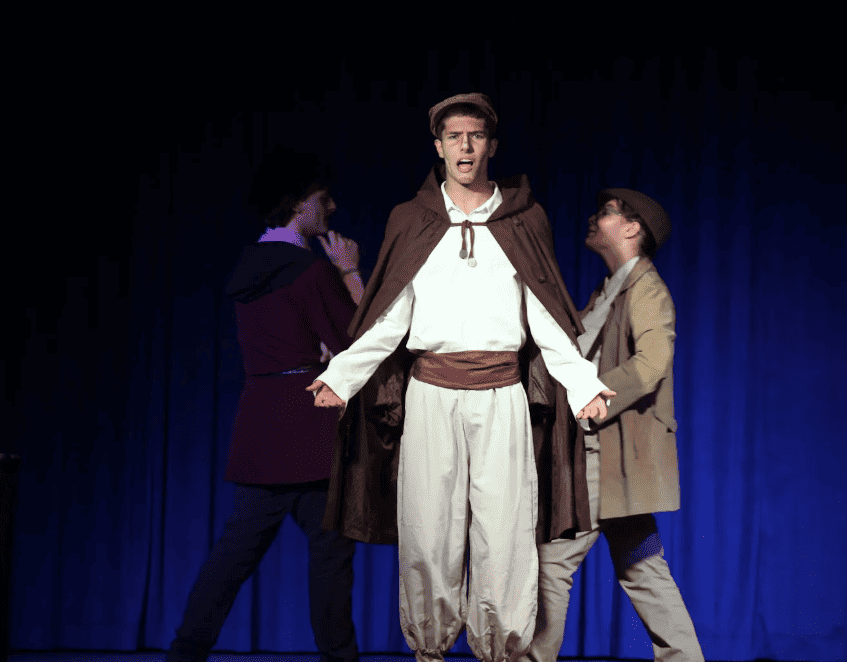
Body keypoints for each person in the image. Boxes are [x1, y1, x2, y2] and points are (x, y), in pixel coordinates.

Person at [306, 93, 614, 662]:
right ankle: (429, 650)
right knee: (429, 535)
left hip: (502, 396)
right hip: (431, 396)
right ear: (439, 147)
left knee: (505, 535)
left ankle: (500, 652)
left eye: (475, 136)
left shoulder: (523, 219)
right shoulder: (412, 220)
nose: (465, 147)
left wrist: (583, 384)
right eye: (454, 137)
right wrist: (342, 376)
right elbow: (390, 317)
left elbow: (545, 316)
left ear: (491, 146)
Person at [166, 146, 363, 662]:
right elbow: (357, 343)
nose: (331, 207)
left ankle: (184, 654)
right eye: (323, 198)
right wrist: (348, 272)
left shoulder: (249, 266)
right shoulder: (310, 271)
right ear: (299, 203)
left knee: (234, 554)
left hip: (262, 424)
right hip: (311, 429)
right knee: (330, 558)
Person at [525, 190, 705, 662]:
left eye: (606, 212)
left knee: (552, 562)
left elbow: (651, 364)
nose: (593, 217)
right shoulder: (609, 291)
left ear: (631, 228)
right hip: (607, 455)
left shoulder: (646, 289)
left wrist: (594, 398)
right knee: (643, 567)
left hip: (608, 455)